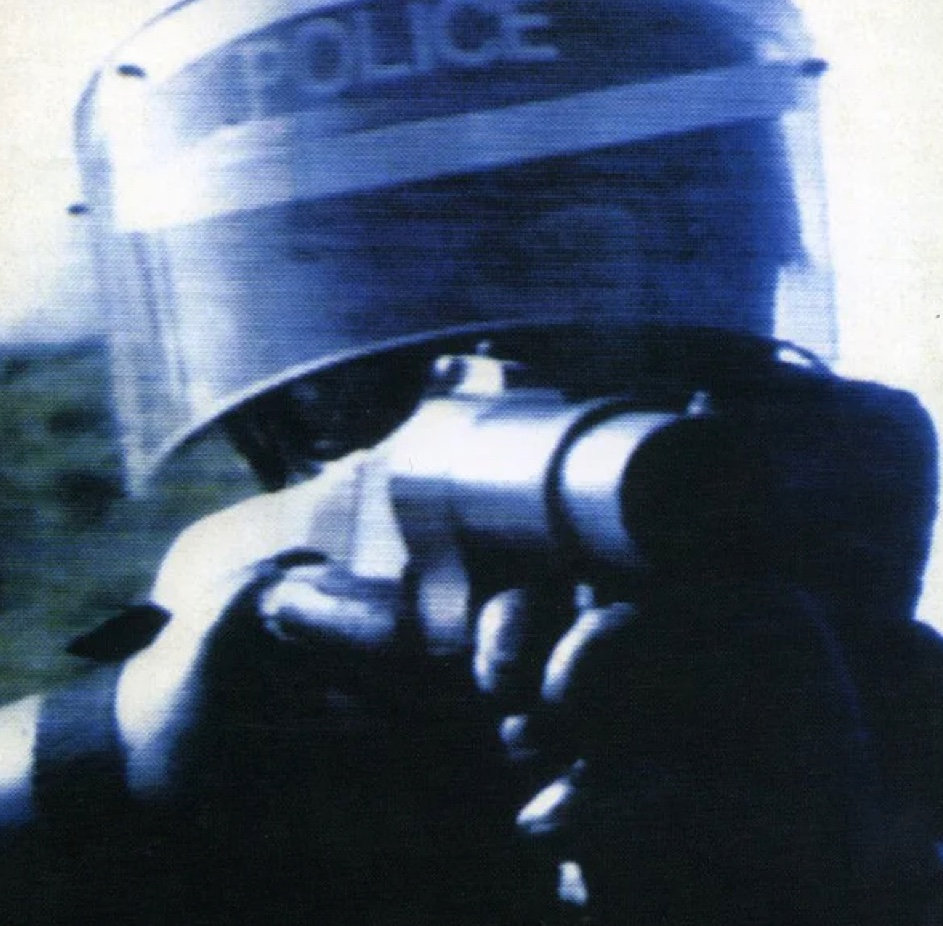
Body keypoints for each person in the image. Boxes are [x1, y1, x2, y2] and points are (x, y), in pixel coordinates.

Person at [1, 0, 942, 922]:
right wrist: (107, 754)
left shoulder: (858, 706)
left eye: (590, 265)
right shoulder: (242, 715)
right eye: (380, 306)